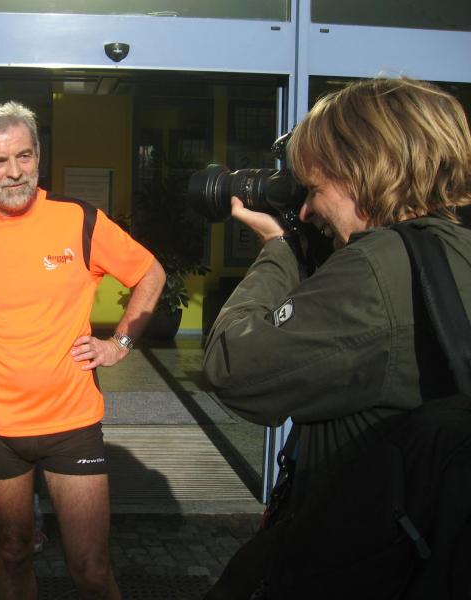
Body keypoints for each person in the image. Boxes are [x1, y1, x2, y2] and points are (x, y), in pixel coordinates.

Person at [201, 77, 471, 598]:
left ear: (361, 171)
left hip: (358, 560)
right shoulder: (453, 250)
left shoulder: (375, 269)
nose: (306, 210)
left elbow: (232, 367)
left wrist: (280, 250)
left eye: (314, 189)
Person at [0, 101, 166, 600]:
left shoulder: (78, 219)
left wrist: (119, 344)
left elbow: (150, 273)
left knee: (91, 567)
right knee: (13, 552)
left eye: (24, 156)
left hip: (72, 424)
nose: (14, 171)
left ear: (38, 156)